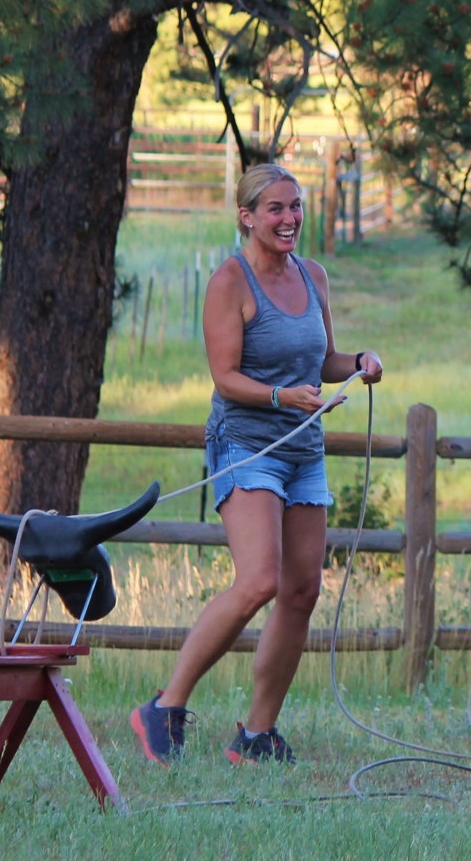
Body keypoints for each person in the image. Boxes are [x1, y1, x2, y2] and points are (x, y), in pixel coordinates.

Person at [131, 162, 383, 766]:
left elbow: (322, 359)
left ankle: (255, 735)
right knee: (260, 581)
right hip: (246, 443)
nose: (290, 218)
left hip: (303, 448)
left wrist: (359, 361)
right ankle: (164, 706)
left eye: (295, 206)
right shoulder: (229, 282)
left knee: (301, 590)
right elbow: (225, 377)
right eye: (275, 208)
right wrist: (279, 396)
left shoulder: (313, 276)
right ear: (246, 216)